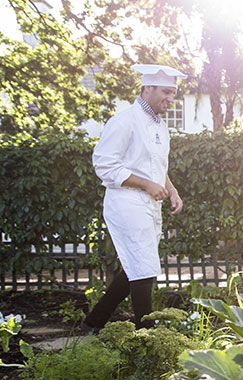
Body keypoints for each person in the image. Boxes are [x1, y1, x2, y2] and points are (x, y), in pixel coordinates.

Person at [81, 64, 187, 333]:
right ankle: (146, 335)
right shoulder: (124, 121)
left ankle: (94, 322)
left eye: (173, 93)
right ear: (147, 88)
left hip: (150, 204)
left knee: (137, 264)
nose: (170, 98)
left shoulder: (161, 127)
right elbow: (104, 165)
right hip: (126, 201)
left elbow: (157, 168)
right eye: (165, 91)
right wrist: (146, 184)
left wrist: (171, 190)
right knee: (144, 266)